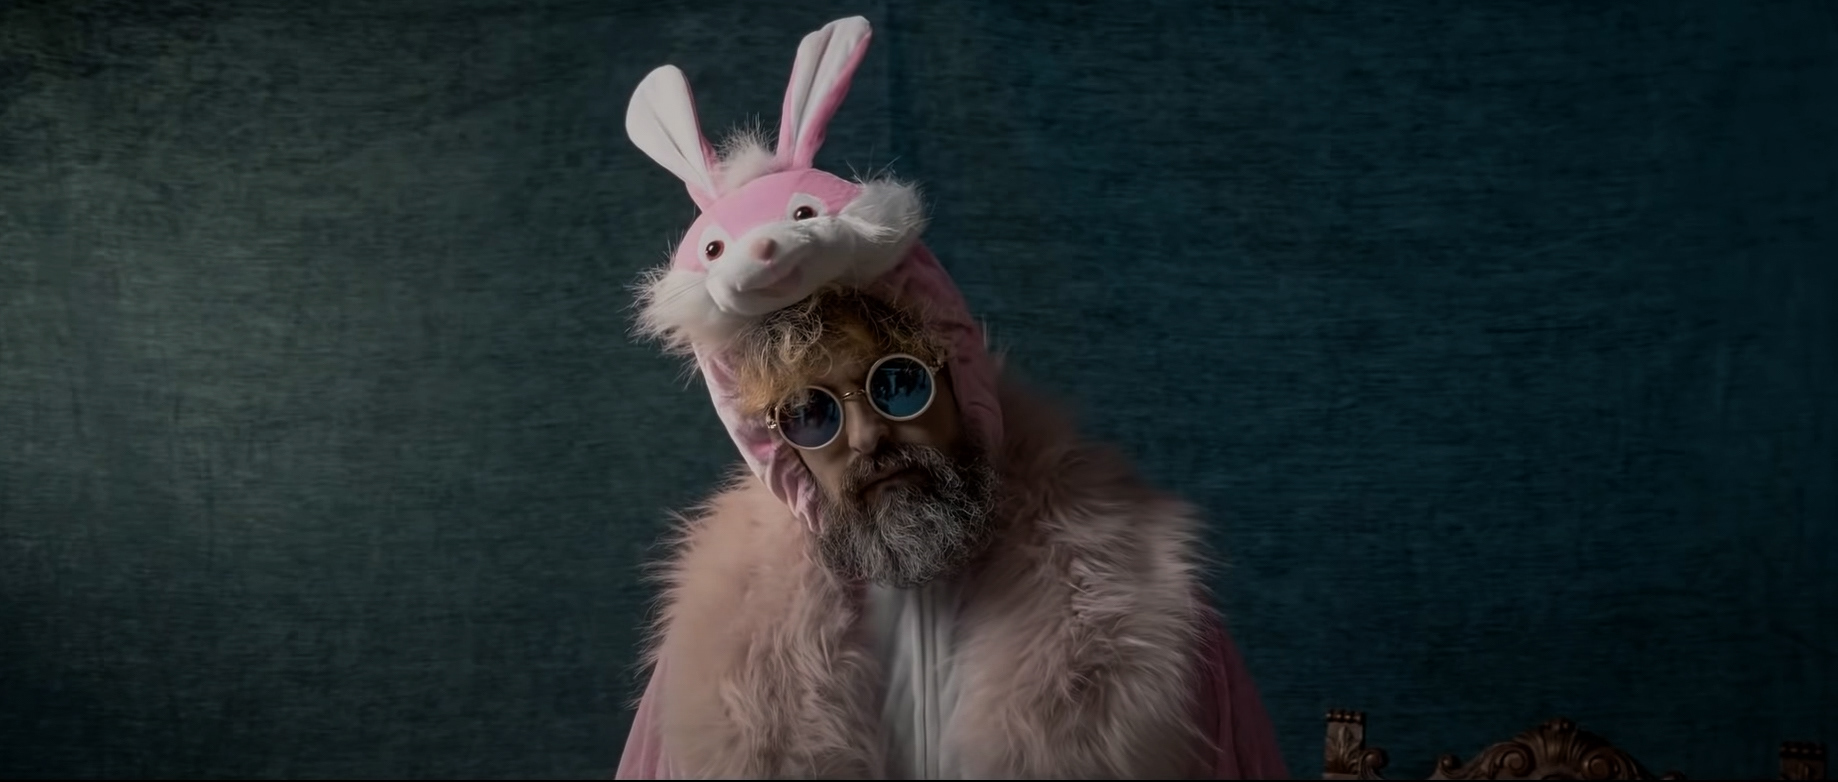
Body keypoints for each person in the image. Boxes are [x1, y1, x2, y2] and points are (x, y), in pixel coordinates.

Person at [614, 16, 1289, 779]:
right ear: (777, 447)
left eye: (897, 384)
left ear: (958, 379)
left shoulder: (1143, 614)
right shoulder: (716, 656)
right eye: (813, 414)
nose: (867, 436)